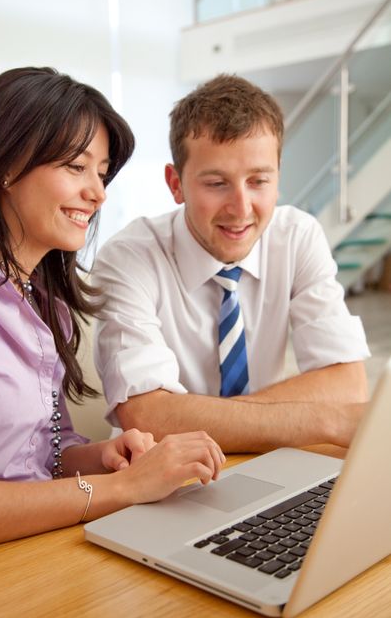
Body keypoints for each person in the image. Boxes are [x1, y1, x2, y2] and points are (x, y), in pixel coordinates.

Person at [0, 67, 225, 553]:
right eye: (76, 167)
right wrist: (122, 489)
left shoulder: (45, 300)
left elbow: (43, 455)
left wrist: (103, 457)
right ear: (7, 165)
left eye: (101, 171)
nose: (98, 192)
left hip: (40, 549)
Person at [93, 74, 370, 452]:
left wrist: (195, 418)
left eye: (258, 181)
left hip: (271, 459)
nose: (241, 209)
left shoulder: (298, 236)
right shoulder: (128, 258)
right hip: (163, 477)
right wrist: (323, 419)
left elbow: (347, 384)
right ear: (176, 184)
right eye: (216, 183)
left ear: (278, 178)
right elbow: (147, 418)